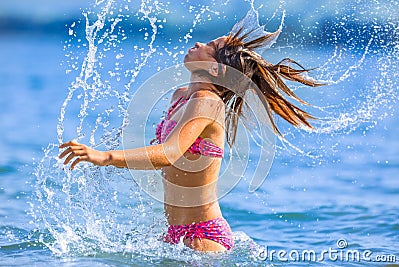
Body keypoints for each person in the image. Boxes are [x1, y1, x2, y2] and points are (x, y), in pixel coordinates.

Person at [59, 27, 323, 252]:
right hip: (173, 235)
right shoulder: (181, 97)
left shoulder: (207, 103)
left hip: (204, 236)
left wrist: (105, 157)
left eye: (209, 47)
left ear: (216, 69)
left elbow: (169, 153)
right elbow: (168, 154)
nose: (198, 44)